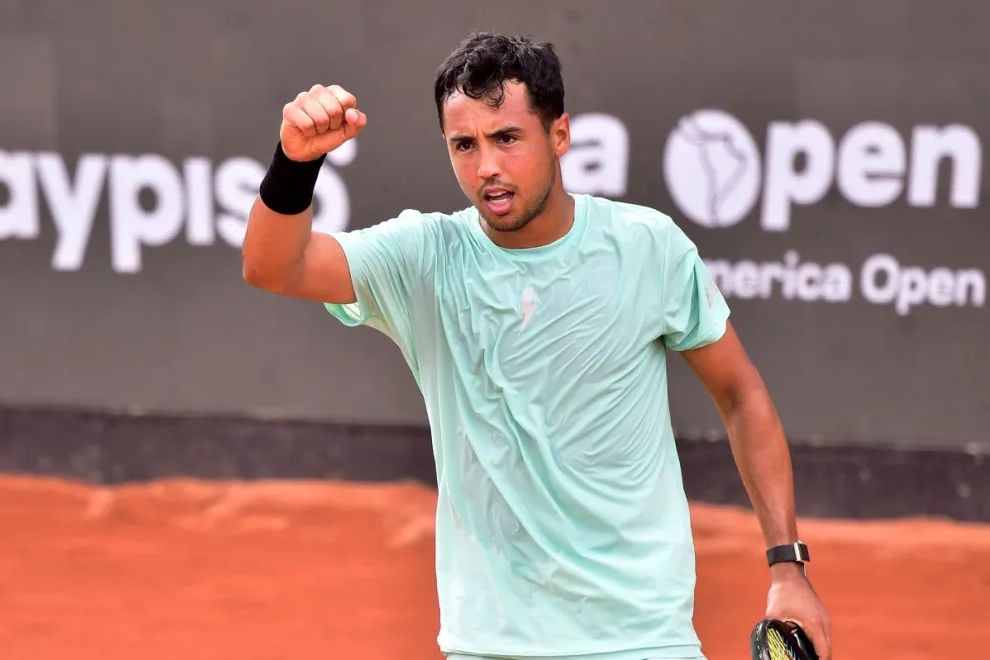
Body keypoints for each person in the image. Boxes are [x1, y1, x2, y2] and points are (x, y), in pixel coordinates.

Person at [242, 31, 832, 660]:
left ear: (559, 137)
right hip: (489, 644)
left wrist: (787, 567)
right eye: (463, 145)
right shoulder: (423, 257)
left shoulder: (647, 247)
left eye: (507, 138)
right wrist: (294, 162)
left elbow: (740, 393)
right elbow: (273, 266)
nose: (486, 166)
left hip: (641, 639)